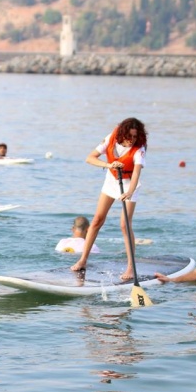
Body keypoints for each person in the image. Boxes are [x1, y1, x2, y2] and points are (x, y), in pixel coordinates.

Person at [71, 117, 148, 281]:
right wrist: (109, 165)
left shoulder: (139, 148)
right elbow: (90, 158)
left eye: (135, 136)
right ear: (122, 133)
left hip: (130, 184)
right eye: (130, 136)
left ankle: (130, 268)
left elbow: (136, 173)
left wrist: (130, 192)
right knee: (97, 219)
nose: (132, 140)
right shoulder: (111, 138)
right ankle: (83, 260)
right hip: (112, 179)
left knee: (124, 224)